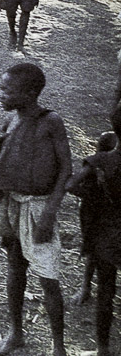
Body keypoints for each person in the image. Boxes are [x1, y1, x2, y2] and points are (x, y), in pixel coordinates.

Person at [0, 62, 70, 356]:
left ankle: (58, 346)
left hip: (39, 207)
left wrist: (50, 213)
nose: (0, 95)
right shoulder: (9, 122)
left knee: (48, 278)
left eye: (6, 91)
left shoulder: (51, 122)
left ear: (30, 93)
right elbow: (3, 163)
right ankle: (15, 333)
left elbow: (65, 169)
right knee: (15, 268)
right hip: (13, 204)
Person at [66, 130, 121, 356]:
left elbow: (70, 185)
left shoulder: (101, 159)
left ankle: (103, 349)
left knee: (106, 292)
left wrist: (92, 192)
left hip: (106, 233)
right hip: (108, 231)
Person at [69, 131, 118, 307]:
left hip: (111, 215)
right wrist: (91, 196)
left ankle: (88, 287)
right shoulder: (95, 165)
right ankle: (86, 287)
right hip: (94, 214)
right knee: (92, 249)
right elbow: (73, 186)